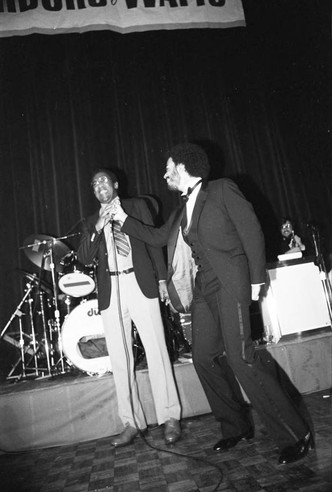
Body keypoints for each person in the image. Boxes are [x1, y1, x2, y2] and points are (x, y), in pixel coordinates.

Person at [110, 143, 313, 464]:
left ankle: (294, 432)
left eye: (168, 168)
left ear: (183, 167)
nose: (164, 174)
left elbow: (252, 232)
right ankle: (236, 426)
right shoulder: (181, 209)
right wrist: (122, 218)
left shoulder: (221, 190)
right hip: (205, 288)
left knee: (241, 358)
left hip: (232, 283)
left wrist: (257, 280)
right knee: (203, 357)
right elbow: (160, 237)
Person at [77, 170, 181, 447]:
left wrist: (161, 279)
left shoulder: (136, 207)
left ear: (115, 185)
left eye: (104, 181)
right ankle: (131, 422)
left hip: (140, 282)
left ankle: (170, 417)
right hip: (111, 292)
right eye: (94, 183)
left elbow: (153, 243)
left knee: (157, 350)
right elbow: (84, 258)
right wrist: (98, 227)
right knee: (120, 361)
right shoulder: (90, 222)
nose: (100, 186)